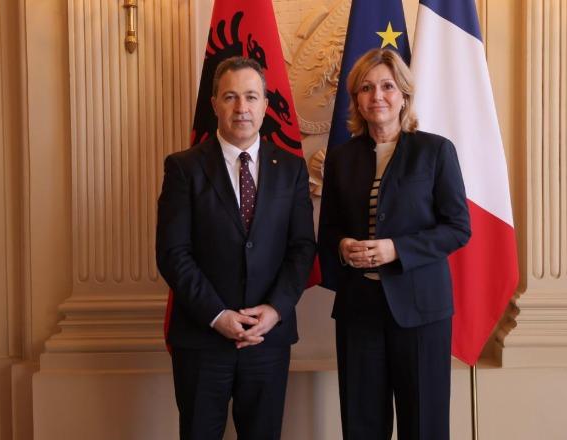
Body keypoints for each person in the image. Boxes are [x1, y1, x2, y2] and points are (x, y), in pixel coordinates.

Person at [156, 56, 315, 440]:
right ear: (215, 104)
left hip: (268, 339)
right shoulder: (183, 168)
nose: (241, 107)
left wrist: (275, 310)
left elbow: (301, 248)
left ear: (265, 104)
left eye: (251, 96)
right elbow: (173, 254)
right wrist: (217, 315)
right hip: (203, 338)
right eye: (230, 97)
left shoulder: (291, 168)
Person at [318, 48, 471, 440]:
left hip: (421, 310)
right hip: (359, 311)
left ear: (403, 94)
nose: (377, 96)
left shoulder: (435, 151)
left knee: (424, 425)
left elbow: (458, 228)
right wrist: (343, 245)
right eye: (366, 88)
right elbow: (329, 229)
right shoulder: (341, 159)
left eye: (387, 86)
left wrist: (396, 249)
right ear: (356, 99)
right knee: (362, 425)